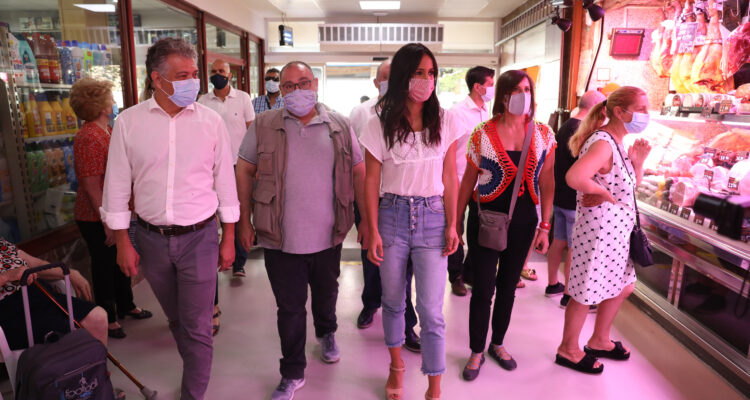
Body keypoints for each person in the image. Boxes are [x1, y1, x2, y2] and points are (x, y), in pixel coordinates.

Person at [101, 37, 239, 400]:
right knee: (177, 319)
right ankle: (195, 365)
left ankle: (193, 392)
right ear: (157, 79)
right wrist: (123, 242)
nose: (193, 82)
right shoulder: (129, 123)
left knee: (197, 324)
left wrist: (228, 237)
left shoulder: (211, 122)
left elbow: (225, 182)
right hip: (151, 239)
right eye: (183, 76)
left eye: (195, 74)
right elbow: (116, 186)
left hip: (200, 237)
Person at [236, 60, 367, 400]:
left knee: (326, 295)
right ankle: (292, 372)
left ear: (315, 84)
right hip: (279, 239)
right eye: (289, 85)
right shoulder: (264, 125)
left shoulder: (339, 124)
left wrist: (366, 221)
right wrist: (242, 222)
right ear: (281, 90)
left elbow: (358, 171)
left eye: (303, 83)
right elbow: (244, 169)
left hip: (328, 235)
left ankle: (327, 332)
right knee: (290, 309)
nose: (297, 91)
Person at [361, 43, 460, 400]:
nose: (426, 80)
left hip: (433, 217)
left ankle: (434, 385)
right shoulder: (379, 123)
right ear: (403, 76)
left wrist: (453, 224)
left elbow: (450, 176)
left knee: (432, 310)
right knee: (392, 301)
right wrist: (372, 229)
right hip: (392, 215)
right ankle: (396, 366)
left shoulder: (446, 120)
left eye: (431, 73)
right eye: (419, 73)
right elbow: (371, 180)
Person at [457, 70, 555, 381]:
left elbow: (547, 182)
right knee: (483, 288)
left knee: (508, 287)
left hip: (524, 221)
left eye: (527, 89)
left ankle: (497, 343)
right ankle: (476, 349)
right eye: (515, 90)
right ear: (502, 96)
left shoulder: (544, 134)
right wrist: (455, 223)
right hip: (486, 218)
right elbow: (467, 181)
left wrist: (545, 226)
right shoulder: (482, 134)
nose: (523, 95)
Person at [554, 86, 651, 374]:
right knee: (585, 290)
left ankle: (599, 339)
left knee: (622, 285)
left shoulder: (617, 142)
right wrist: (602, 193)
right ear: (620, 112)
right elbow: (575, 177)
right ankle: (568, 349)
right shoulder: (603, 142)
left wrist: (638, 164)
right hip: (599, 232)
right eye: (642, 109)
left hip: (617, 231)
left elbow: (626, 185)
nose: (647, 114)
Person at [70, 77, 153, 341]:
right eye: (109, 98)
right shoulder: (89, 137)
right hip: (95, 215)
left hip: (114, 212)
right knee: (104, 264)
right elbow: (91, 185)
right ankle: (108, 317)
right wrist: (107, 221)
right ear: (98, 104)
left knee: (119, 260)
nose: (114, 101)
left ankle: (126, 304)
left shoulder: (107, 130)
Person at [348, 60, 421, 352]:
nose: (390, 82)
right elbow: (354, 162)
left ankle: (407, 322)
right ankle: (370, 303)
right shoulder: (360, 113)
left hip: (401, 200)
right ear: (375, 82)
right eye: (385, 77)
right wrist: (364, 216)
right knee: (371, 257)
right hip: (369, 197)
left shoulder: (415, 112)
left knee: (404, 265)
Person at [197, 58, 255, 335]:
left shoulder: (242, 98)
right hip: (211, 167)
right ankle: (219, 256)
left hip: (238, 164)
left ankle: (239, 262)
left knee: (239, 212)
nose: (217, 75)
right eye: (213, 71)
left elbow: (252, 131)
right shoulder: (202, 100)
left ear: (230, 75)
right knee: (215, 214)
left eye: (221, 71)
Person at [546, 90, 606, 307]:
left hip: (560, 196)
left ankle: (553, 284)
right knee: (575, 247)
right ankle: (569, 295)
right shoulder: (582, 131)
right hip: (575, 200)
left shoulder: (565, 125)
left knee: (559, 241)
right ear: (596, 107)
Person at [0, 237, 106, 349]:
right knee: (69, 334)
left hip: (40, 297)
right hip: (11, 311)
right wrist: (6, 276)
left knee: (98, 317)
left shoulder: (2, 244)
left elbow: (35, 264)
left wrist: (70, 273)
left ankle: (98, 360)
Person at [446, 65, 494, 296]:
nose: (493, 89)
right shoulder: (457, 113)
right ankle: (455, 275)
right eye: (490, 84)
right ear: (478, 87)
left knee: (478, 228)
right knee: (455, 225)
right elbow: (448, 149)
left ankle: (470, 272)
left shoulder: (487, 112)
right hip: (457, 179)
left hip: (481, 181)